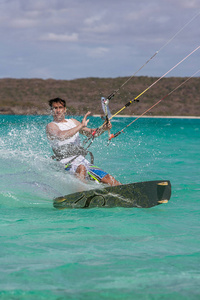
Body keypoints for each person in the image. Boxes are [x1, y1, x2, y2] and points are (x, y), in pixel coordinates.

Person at [46, 97, 121, 186]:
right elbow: (61, 136)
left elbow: (91, 133)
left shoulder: (72, 122)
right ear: (51, 110)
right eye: (55, 108)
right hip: (65, 163)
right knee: (81, 169)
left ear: (65, 109)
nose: (58, 110)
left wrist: (103, 128)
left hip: (82, 160)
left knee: (108, 178)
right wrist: (80, 125)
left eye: (60, 107)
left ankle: (124, 191)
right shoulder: (51, 126)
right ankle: (81, 193)